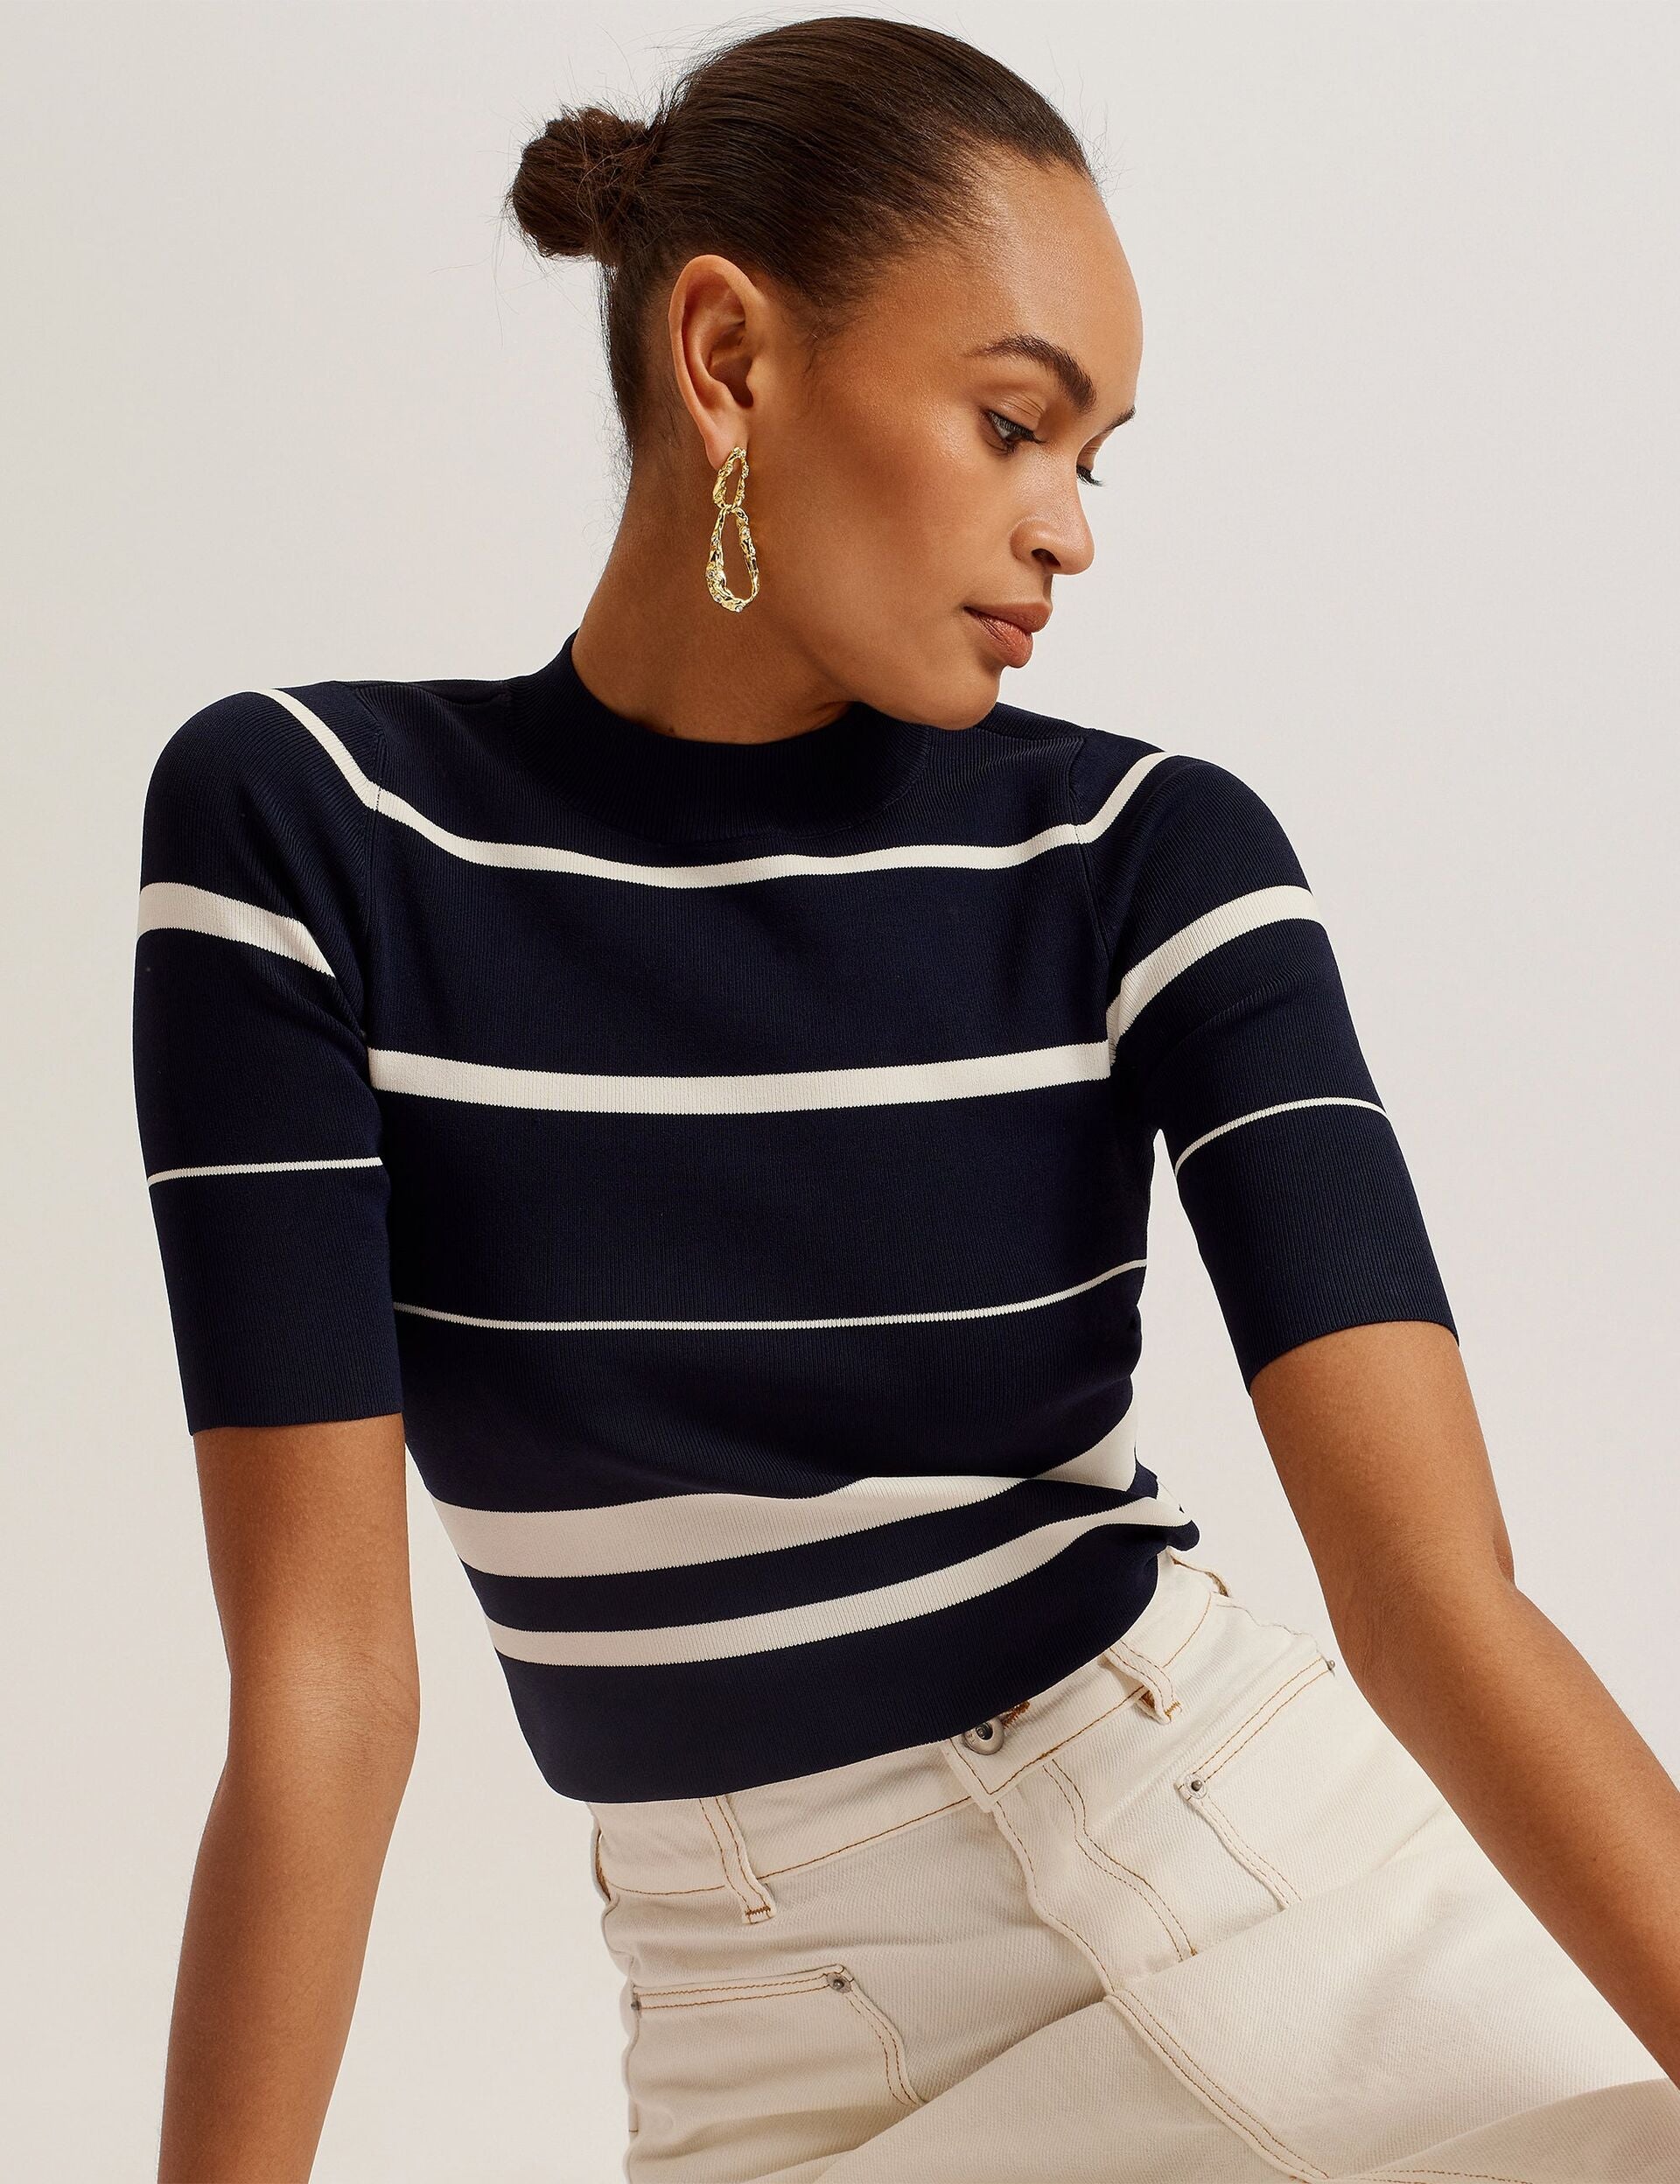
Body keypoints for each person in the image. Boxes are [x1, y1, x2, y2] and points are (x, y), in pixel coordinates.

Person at [130, 16, 1680, 2182]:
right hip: (742, 2031)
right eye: (1013, 423)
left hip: (1242, 1906)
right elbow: (322, 1695)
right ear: (728, 360)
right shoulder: (316, 836)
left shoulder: (1141, 857)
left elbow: (1435, 1594)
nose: (1072, 531)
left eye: (1096, 458)